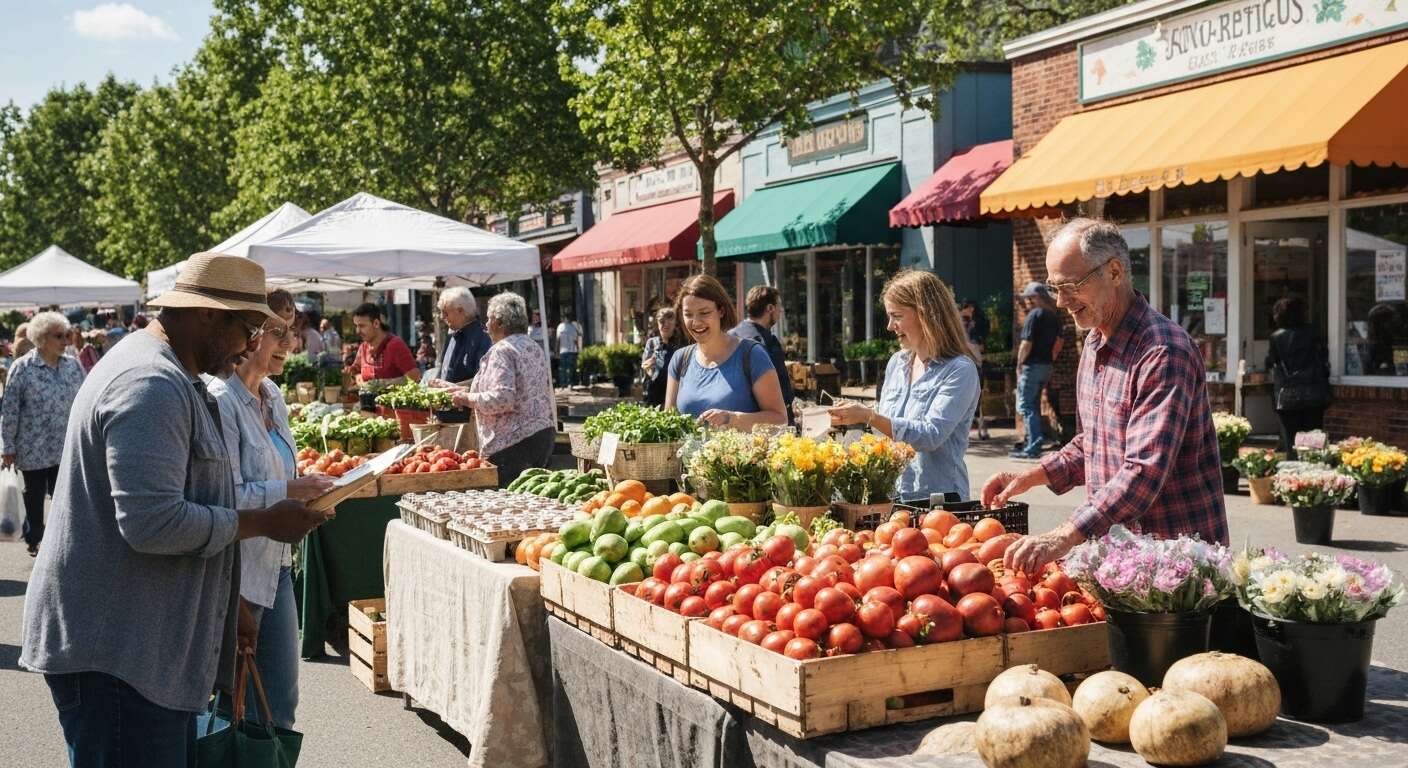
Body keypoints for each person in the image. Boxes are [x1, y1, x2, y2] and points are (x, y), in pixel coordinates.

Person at [21, 252, 329, 767]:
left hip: (139, 651)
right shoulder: (151, 383)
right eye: (249, 329)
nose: (250, 345)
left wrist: (229, 605)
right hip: (118, 657)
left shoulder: (170, 375)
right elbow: (153, 523)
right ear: (207, 314)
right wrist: (263, 521)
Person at [982, 219, 1228, 576]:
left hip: (1179, 564)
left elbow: (1144, 471)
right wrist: (1032, 476)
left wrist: (1065, 534)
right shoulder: (1095, 342)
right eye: (1054, 288)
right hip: (1123, 558)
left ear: (1114, 272)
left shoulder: (1163, 351)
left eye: (1071, 286)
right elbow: (1095, 443)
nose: (1061, 301)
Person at [209, 289, 336, 732]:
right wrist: (291, 489)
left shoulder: (272, 394)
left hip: (277, 565)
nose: (290, 343)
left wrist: (314, 495)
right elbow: (225, 495)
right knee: (234, 702)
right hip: (236, 572)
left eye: (293, 332)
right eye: (278, 333)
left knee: (279, 703)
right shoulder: (221, 400)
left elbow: (283, 473)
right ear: (250, 335)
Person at [828, 271, 980, 499]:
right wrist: (851, 416)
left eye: (896, 316)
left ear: (926, 315)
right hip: (893, 495)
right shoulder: (897, 363)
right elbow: (886, 423)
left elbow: (931, 435)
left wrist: (869, 416)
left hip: (939, 500)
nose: (890, 326)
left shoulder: (959, 370)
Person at [443, 293, 556, 486]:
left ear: (499, 322)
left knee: (509, 501)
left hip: (512, 444)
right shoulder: (531, 346)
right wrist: (458, 389)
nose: (486, 325)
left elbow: (502, 399)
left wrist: (465, 399)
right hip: (541, 436)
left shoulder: (503, 350)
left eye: (488, 319)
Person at [1, 311, 86, 556]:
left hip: (65, 446)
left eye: (66, 335)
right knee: (35, 496)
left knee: (65, 496)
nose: (65, 341)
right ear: (41, 338)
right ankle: (35, 537)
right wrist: (8, 446)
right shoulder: (22, 367)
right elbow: (10, 409)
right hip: (33, 448)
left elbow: (85, 401)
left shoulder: (73, 365)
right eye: (59, 336)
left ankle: (62, 539)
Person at [665, 274, 787, 429]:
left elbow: (780, 419)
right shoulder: (680, 359)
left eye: (704, 313)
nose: (695, 322)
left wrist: (731, 419)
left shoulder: (752, 355)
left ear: (721, 311)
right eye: (688, 314)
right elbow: (669, 422)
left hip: (742, 446)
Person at [1266, 296, 1330, 457]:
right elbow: (1323, 357)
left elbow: (1272, 362)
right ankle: (1314, 468)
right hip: (1314, 392)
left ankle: (1293, 468)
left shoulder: (1276, 337)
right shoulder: (1314, 332)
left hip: (1288, 395)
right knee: (1314, 441)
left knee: (1291, 440)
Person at [1011, 282, 1065, 459]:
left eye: (1029, 298)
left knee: (1027, 406)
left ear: (1037, 297)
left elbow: (1026, 343)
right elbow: (1059, 343)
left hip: (1032, 366)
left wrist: (1019, 364)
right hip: (1046, 367)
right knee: (1033, 405)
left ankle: (1033, 447)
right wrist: (1050, 359)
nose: (1027, 302)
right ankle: (1031, 442)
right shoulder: (1054, 317)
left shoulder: (1034, 315)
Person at [730, 285, 795, 418]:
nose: (781, 310)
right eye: (779, 306)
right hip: (764, 420)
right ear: (770, 308)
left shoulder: (731, 335)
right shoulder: (762, 343)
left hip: (738, 417)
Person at [428, 287, 491, 386]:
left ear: (460, 311)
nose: (442, 317)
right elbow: (444, 371)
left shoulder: (483, 338)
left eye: (445, 312)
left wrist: (452, 387)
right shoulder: (451, 335)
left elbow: (485, 379)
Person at [350, 302, 421, 385]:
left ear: (376, 323)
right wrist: (359, 379)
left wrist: (382, 384)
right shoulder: (363, 347)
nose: (357, 331)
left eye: (362, 326)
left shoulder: (395, 345)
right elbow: (355, 371)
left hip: (393, 394)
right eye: (356, 326)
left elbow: (415, 377)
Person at [959, 299, 991, 440]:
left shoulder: (973, 325)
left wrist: (965, 345)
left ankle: (980, 429)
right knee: (975, 398)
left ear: (970, 308)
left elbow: (979, 346)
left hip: (971, 363)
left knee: (973, 398)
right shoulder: (973, 324)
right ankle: (981, 429)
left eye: (963, 308)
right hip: (973, 363)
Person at [641, 307, 685, 406]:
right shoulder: (652, 342)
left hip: (675, 389)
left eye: (669, 322)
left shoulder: (680, 343)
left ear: (675, 323)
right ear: (657, 323)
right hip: (653, 390)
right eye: (662, 322)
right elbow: (645, 365)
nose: (665, 325)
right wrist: (650, 367)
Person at [556, 311, 582, 387]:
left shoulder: (560, 327)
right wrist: (578, 349)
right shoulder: (572, 327)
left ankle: (564, 384)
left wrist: (556, 350)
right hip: (570, 351)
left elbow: (558, 340)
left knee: (564, 368)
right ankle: (568, 383)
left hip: (565, 351)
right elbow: (575, 340)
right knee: (569, 368)